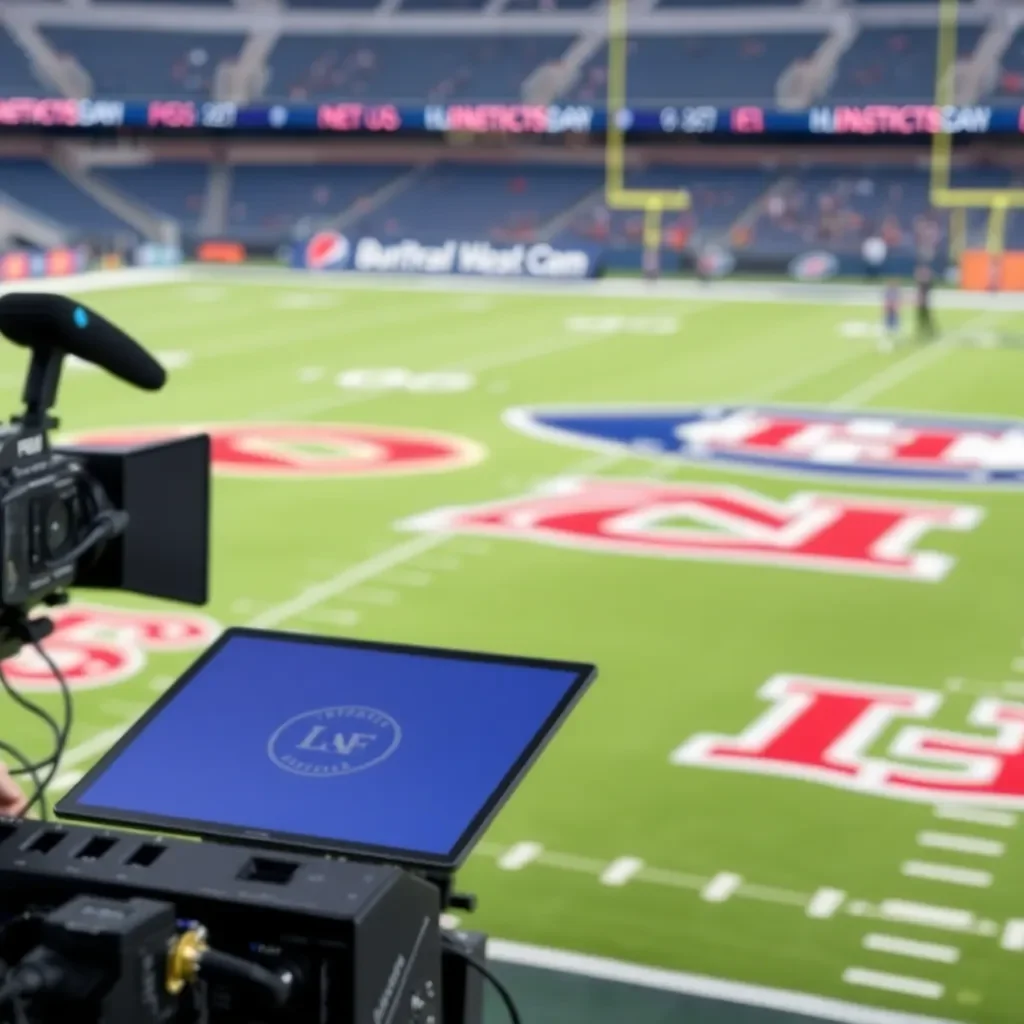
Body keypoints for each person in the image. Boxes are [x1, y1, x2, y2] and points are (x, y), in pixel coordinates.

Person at [915, 265, 937, 341]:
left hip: (924, 303)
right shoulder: (921, 283)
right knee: (922, 319)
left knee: (927, 319)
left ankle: (931, 331)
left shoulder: (925, 284)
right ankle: (925, 331)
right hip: (922, 303)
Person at [881, 279, 902, 352]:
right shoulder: (888, 291)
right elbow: (886, 300)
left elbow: (898, 300)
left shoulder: (896, 291)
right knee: (888, 319)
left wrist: (896, 306)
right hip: (890, 307)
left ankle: (895, 330)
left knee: (894, 319)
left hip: (893, 308)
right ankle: (888, 329)